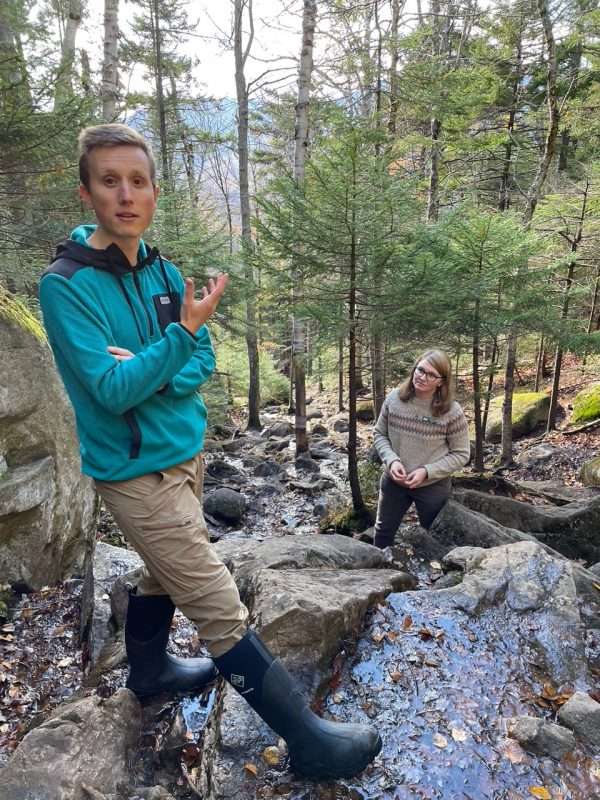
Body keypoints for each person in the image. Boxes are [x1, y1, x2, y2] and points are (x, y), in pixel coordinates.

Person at [39, 123, 380, 781]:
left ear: (154, 192)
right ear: (87, 193)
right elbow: (111, 392)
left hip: (186, 452)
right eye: (110, 180)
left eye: (138, 181)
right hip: (135, 471)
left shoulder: (164, 271)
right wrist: (173, 344)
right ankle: (308, 739)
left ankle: (149, 669)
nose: (126, 194)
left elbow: (198, 359)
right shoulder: (66, 285)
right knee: (218, 602)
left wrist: (159, 359)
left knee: (162, 571)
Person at [372, 350, 470, 549]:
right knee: (383, 532)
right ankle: (375, 576)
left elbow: (461, 454)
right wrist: (392, 460)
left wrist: (427, 472)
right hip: (394, 481)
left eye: (430, 374)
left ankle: (434, 579)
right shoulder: (394, 399)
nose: (422, 376)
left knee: (434, 537)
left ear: (441, 381)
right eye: (420, 369)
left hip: (433, 486)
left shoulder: (451, 411)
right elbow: (379, 434)